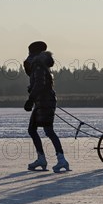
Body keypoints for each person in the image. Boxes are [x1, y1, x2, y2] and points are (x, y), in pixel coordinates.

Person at [23, 41, 70, 173]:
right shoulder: (39, 65)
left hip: (44, 102)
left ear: (34, 53)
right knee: (33, 129)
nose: (28, 55)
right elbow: (38, 83)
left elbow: (39, 84)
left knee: (47, 130)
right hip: (42, 101)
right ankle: (42, 158)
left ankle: (61, 159)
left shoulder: (38, 65)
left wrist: (30, 100)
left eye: (29, 52)